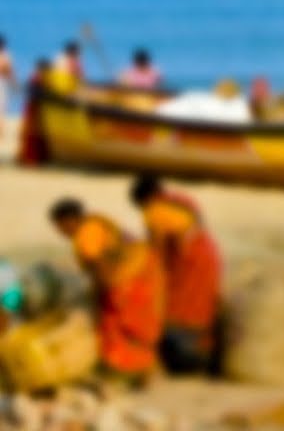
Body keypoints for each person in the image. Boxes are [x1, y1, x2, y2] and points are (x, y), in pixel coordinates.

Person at [49, 199, 164, 384]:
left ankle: (124, 370)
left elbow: (99, 266)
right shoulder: (96, 224)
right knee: (142, 324)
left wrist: (101, 295)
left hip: (127, 277)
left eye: (58, 226)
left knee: (115, 325)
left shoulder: (86, 234)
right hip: (144, 269)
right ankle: (147, 368)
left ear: (67, 220)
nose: (59, 232)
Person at [129, 175, 221, 373]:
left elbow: (156, 253)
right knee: (202, 304)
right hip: (209, 253)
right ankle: (203, 353)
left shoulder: (154, 210)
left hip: (188, 261)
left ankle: (183, 356)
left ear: (144, 199)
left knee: (176, 307)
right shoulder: (181, 200)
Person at [17, 58, 52, 166]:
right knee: (33, 132)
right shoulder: (38, 78)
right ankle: (32, 158)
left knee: (34, 133)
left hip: (34, 106)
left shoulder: (36, 77)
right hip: (34, 107)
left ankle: (34, 157)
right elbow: (36, 92)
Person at [0, 35, 14, 139]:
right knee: (1, 109)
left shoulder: (6, 55)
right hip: (2, 83)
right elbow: (8, 71)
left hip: (3, 82)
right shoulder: (5, 55)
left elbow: (8, 70)